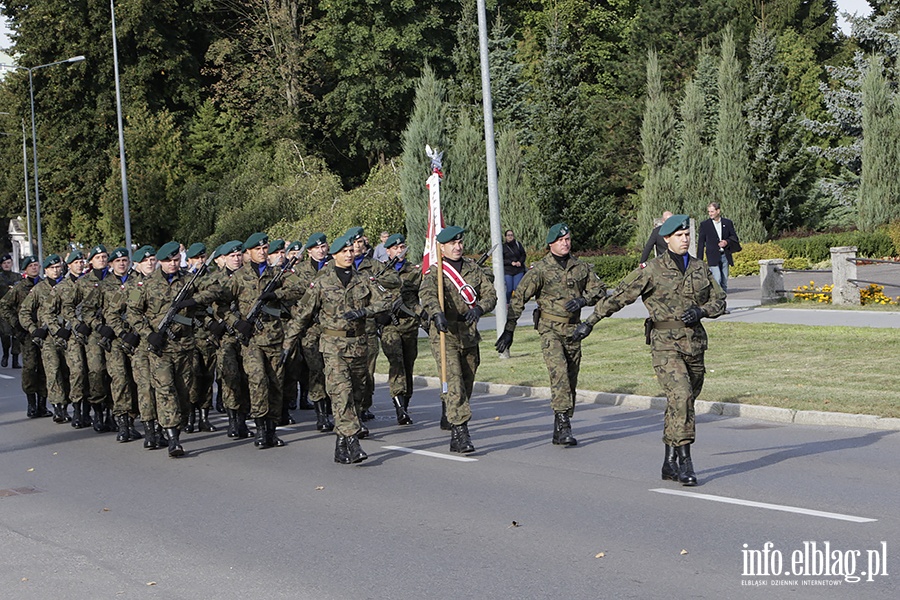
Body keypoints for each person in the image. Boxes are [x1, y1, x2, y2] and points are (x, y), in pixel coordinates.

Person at [573, 214, 726, 486]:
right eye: (679, 236)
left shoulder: (700, 268)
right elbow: (618, 296)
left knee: (683, 402)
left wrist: (701, 310)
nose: (685, 239)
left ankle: (668, 460)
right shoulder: (651, 270)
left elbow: (720, 301)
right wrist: (589, 322)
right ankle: (685, 461)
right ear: (666, 239)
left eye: (687, 235)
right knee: (681, 395)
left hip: (695, 344)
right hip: (665, 344)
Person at [283, 233, 392, 464]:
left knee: (357, 393)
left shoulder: (364, 279)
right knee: (341, 393)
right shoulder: (322, 282)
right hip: (333, 347)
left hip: (358, 345)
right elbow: (302, 315)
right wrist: (288, 343)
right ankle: (353, 442)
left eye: (351, 251)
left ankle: (340, 444)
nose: (349, 255)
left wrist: (365, 311)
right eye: (344, 252)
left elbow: (387, 299)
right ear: (334, 255)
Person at [495, 223, 606, 446]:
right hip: (550, 329)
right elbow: (518, 299)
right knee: (560, 374)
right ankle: (564, 424)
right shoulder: (541, 270)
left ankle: (560, 422)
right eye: (560, 240)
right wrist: (509, 331)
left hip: (573, 330)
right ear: (551, 244)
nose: (565, 243)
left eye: (567, 239)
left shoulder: (580, 267)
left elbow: (600, 290)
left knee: (571, 377)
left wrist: (584, 300)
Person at [419, 225, 497, 453]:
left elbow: (491, 294)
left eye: (460, 242)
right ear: (442, 247)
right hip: (446, 335)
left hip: (469, 334)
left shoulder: (473, 269)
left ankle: (453, 415)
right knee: (454, 383)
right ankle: (461, 433)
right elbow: (427, 295)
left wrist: (480, 309)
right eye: (452, 244)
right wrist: (437, 313)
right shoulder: (435, 272)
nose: (457, 247)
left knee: (467, 381)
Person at [379, 234, 421, 425]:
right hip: (390, 326)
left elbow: (420, 295)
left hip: (410, 325)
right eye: (395, 248)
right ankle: (399, 408)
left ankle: (406, 403)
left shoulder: (413, 270)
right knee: (396, 363)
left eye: (402, 247)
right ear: (388, 251)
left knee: (408, 364)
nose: (399, 251)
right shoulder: (380, 271)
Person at [19, 254, 65, 420]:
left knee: (71, 372)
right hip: (47, 337)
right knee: (52, 371)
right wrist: (33, 329)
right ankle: (57, 406)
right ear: (46, 270)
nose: (56, 270)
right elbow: (24, 312)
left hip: (67, 335)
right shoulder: (39, 289)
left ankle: (70, 406)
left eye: (58, 267)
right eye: (52, 268)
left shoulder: (69, 286)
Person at [0, 256, 48, 416]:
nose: (35, 268)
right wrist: (16, 323)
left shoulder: (45, 286)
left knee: (44, 368)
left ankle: (42, 403)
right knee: (29, 368)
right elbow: (4, 306)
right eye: (31, 266)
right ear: (25, 269)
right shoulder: (19, 288)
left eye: (36, 265)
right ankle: (31, 404)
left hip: (45, 333)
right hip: (27, 334)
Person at [698, 202, 740, 295]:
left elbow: (734, 237)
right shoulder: (705, 225)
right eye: (709, 212)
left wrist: (726, 242)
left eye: (712, 211)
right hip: (712, 256)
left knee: (724, 281)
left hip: (725, 255)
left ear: (718, 211)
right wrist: (699, 260)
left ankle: (723, 303)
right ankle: (717, 302)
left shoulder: (727, 223)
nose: (710, 214)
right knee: (717, 279)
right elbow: (701, 243)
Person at [1, 252, 21, 368]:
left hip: (15, 309)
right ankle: (5, 354)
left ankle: (15, 359)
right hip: (3, 310)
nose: (7, 265)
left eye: (8, 263)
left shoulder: (17, 277)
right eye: (4, 263)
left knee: (17, 335)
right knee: (5, 335)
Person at [502, 229, 527, 304]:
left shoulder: (518, 244)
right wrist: (511, 262)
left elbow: (523, 254)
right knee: (509, 289)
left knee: (517, 288)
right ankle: (507, 303)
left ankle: (516, 304)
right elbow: (501, 260)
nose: (510, 237)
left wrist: (520, 262)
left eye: (511, 235)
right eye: (508, 235)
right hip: (508, 270)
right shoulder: (503, 247)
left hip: (518, 270)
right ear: (506, 237)